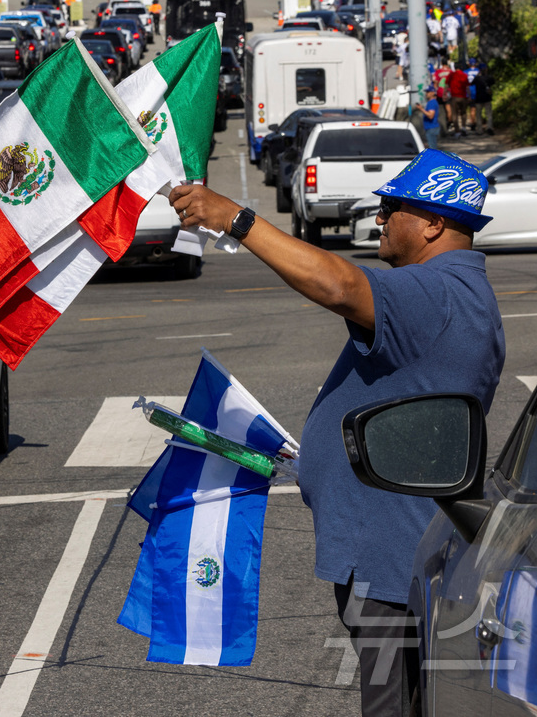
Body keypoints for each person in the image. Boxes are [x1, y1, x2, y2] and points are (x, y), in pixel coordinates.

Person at [169, 150, 504, 717]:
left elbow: (339, 284)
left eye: (391, 207)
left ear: (432, 223)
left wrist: (237, 219)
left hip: (392, 559)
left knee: (391, 705)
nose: (379, 218)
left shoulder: (435, 292)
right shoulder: (458, 294)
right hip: (401, 547)